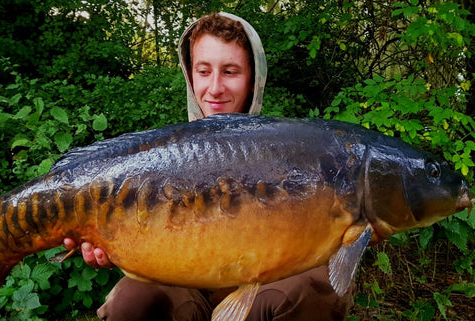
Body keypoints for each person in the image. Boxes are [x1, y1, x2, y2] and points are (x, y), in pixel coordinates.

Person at [63, 12, 353, 321]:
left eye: (230, 71)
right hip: (185, 285)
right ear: (191, 76)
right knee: (130, 301)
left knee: (317, 289)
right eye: (204, 71)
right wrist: (112, 243)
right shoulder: (161, 157)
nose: (214, 88)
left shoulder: (294, 152)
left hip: (269, 284)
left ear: (253, 78)